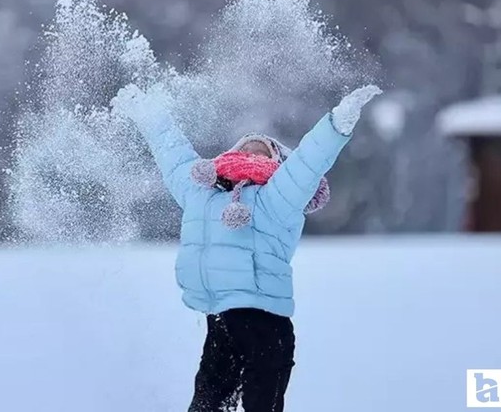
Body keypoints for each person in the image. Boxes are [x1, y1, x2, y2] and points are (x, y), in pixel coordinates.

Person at [111, 83, 381, 412]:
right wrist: (148, 114)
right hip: (221, 320)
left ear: (279, 163)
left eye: (262, 152)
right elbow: (173, 154)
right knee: (207, 404)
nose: (252, 155)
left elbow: (309, 161)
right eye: (245, 150)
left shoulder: (279, 196)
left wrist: (338, 122)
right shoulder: (202, 194)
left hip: (267, 324)